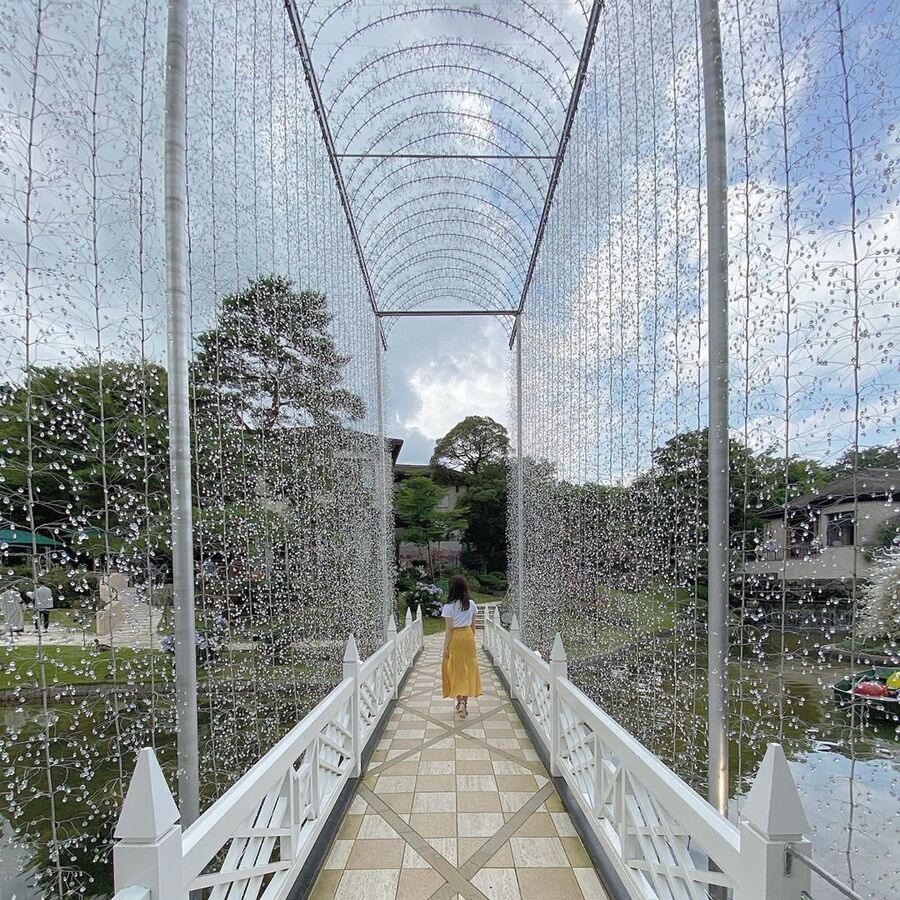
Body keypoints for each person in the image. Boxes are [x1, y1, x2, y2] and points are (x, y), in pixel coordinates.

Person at [441, 575, 482, 718]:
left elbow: (449, 629)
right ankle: (464, 702)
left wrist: (445, 647)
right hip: (468, 637)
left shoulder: (448, 607)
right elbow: (473, 626)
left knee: (455, 670)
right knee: (468, 670)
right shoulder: (471, 604)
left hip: (456, 638)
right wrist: (470, 639)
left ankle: (460, 702)